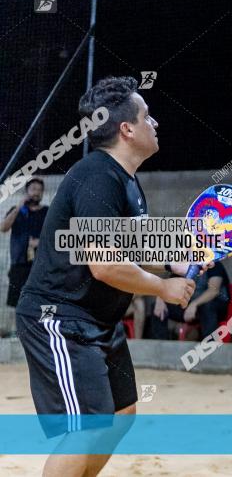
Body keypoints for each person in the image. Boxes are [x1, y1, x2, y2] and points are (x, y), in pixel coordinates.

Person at [14, 76, 198, 476]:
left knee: (121, 414)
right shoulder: (97, 176)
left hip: (98, 321)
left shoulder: (126, 180)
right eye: (147, 117)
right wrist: (162, 288)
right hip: (60, 318)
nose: (156, 123)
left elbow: (137, 244)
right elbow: (104, 263)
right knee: (89, 426)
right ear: (127, 129)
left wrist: (177, 265)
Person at [150, 261, 230, 340]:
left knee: (207, 306)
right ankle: (160, 345)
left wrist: (194, 304)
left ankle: (210, 344)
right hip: (191, 309)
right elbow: (169, 285)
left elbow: (213, 291)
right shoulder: (185, 265)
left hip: (215, 307)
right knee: (157, 306)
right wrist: (160, 299)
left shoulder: (214, 264)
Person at [1, 178, 48, 308]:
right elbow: (3, 228)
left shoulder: (47, 212)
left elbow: (55, 235)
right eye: (33, 189)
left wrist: (41, 242)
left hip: (41, 265)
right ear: (26, 191)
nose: (36, 193)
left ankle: (40, 328)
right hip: (19, 263)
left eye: (39, 190)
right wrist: (18, 207)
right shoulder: (17, 210)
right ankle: (20, 328)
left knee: (41, 300)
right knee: (18, 301)